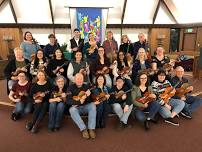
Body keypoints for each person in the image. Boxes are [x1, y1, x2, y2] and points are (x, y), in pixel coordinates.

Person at [67, 73, 96, 139]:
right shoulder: (70, 88)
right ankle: (83, 129)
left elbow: (90, 100)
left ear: (83, 80)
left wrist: (88, 96)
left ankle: (91, 128)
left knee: (92, 105)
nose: (79, 80)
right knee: (71, 110)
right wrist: (79, 101)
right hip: (77, 108)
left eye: (81, 79)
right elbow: (68, 101)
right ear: (74, 80)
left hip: (85, 107)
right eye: (78, 79)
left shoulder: (86, 87)